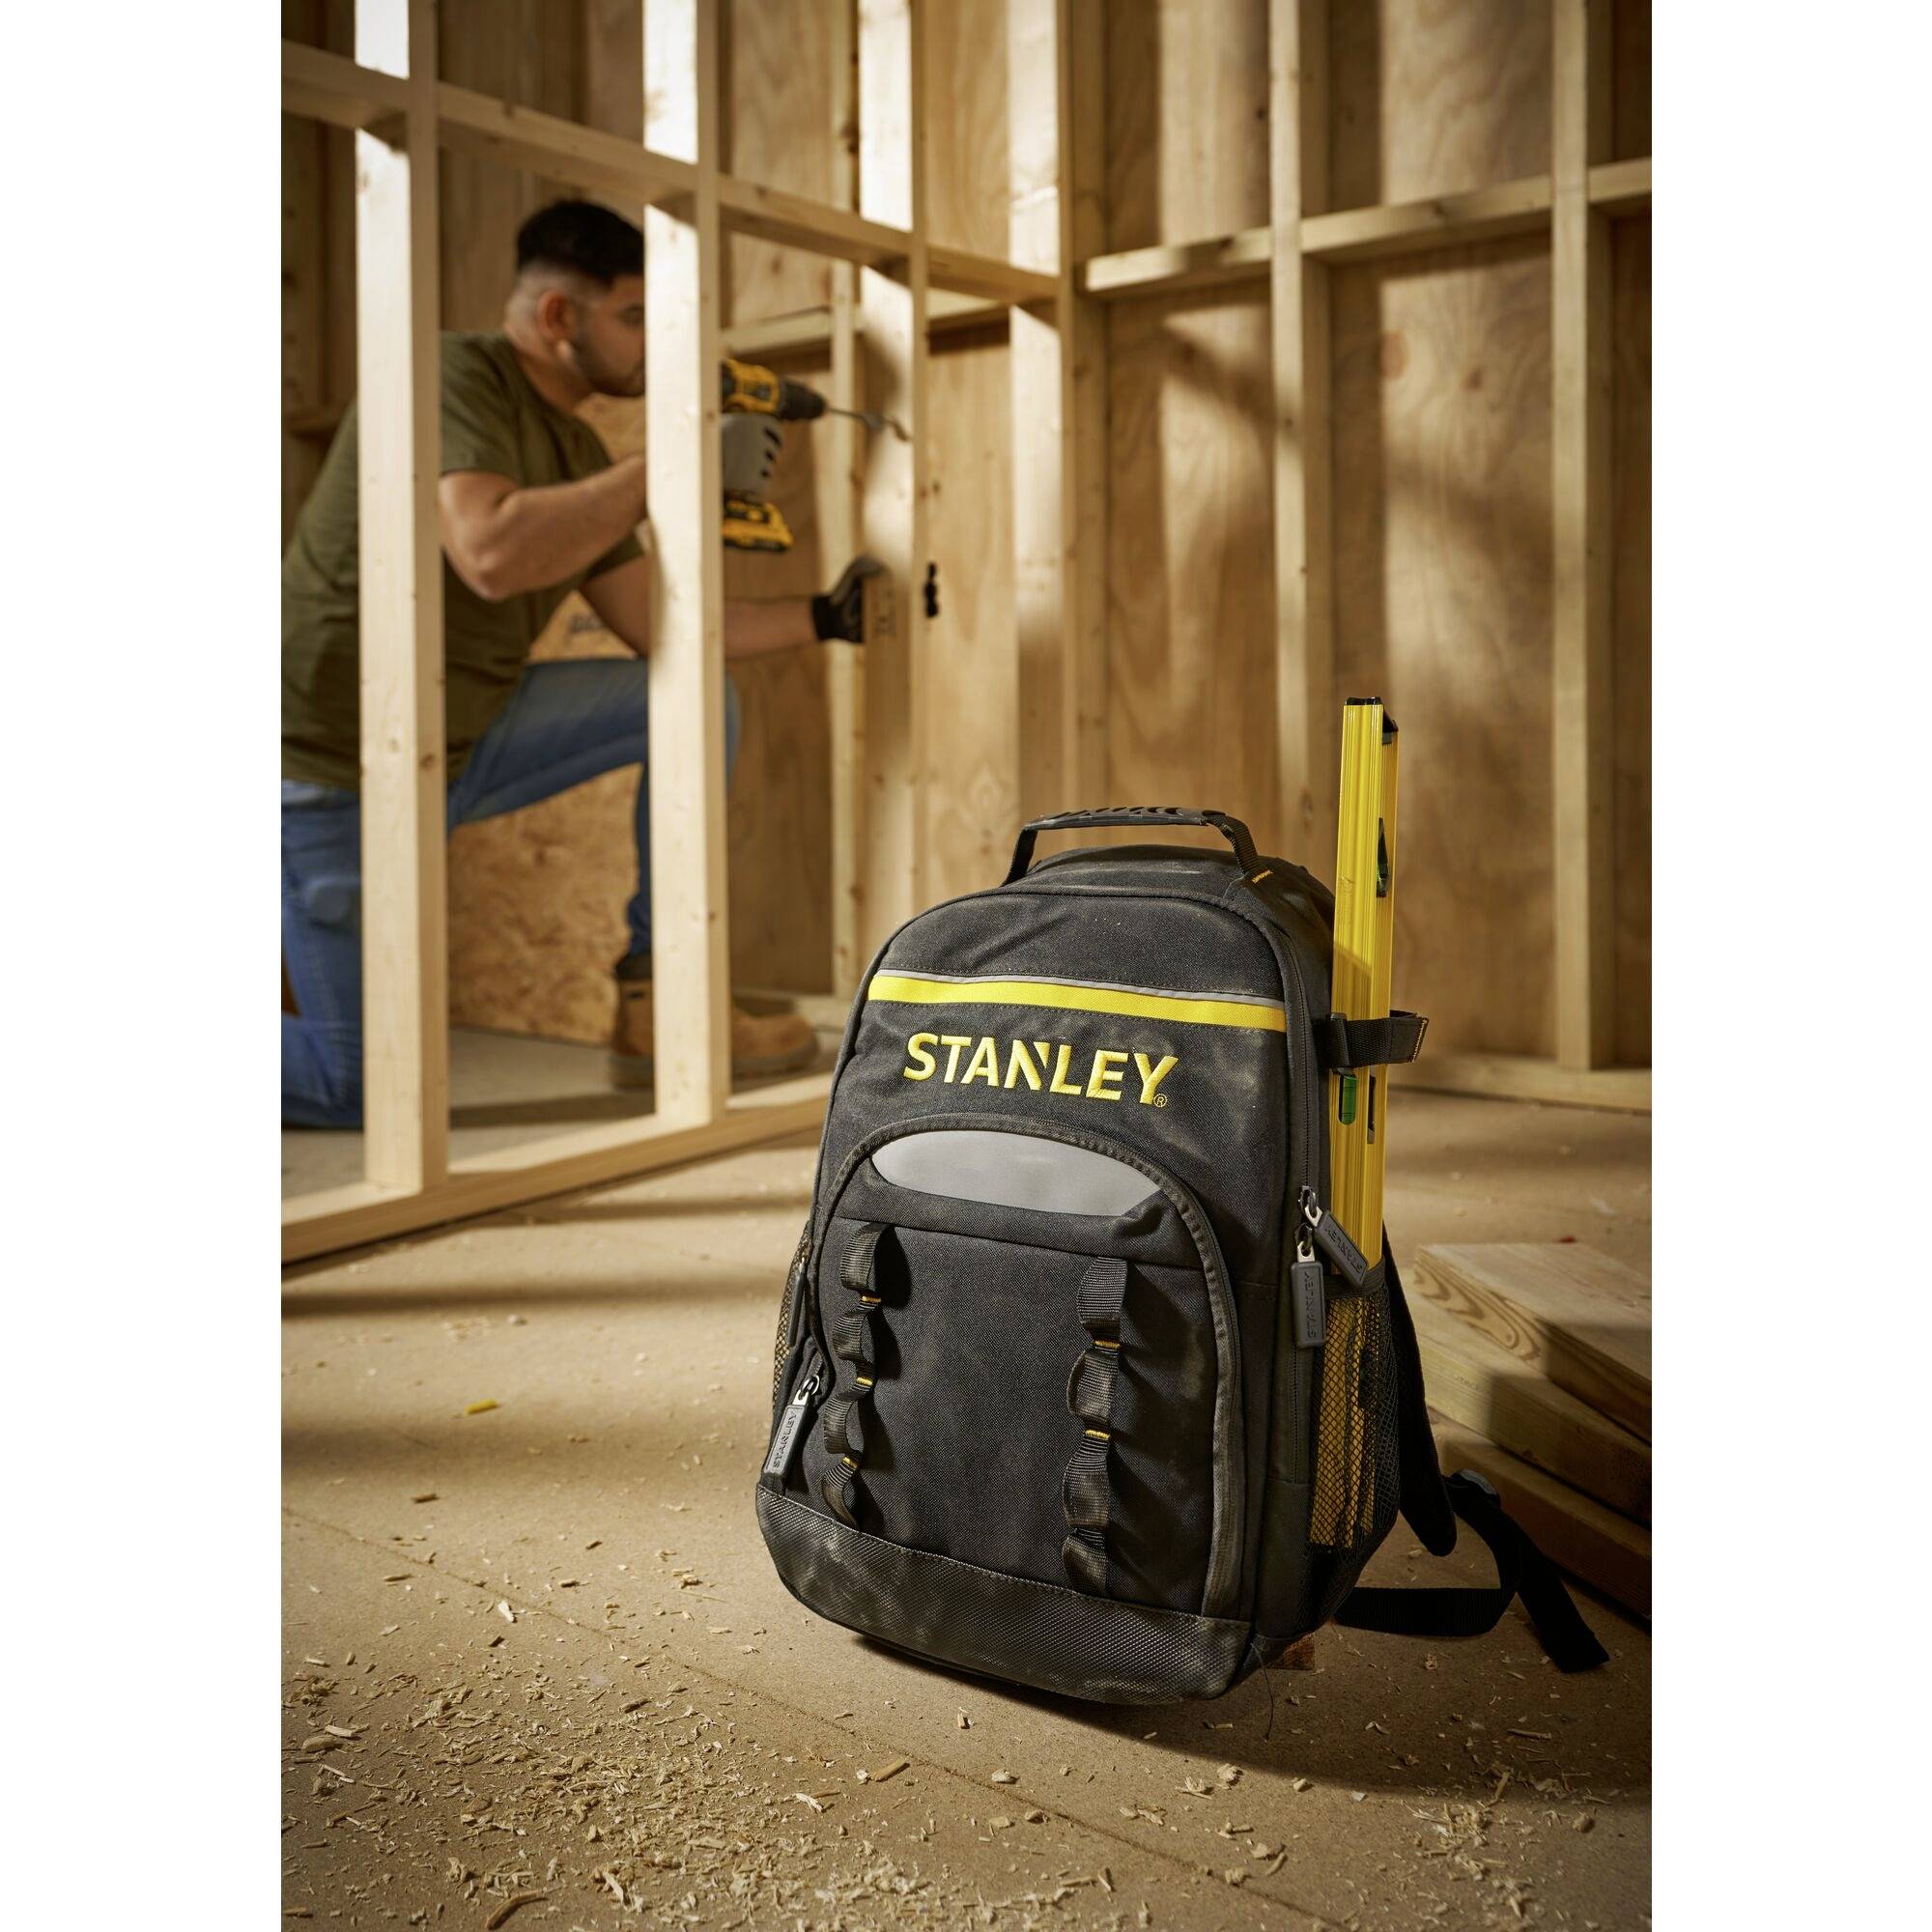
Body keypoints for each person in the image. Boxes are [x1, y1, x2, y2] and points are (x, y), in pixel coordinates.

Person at [282, 200, 877, 1127]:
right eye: (635, 319)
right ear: (561, 318)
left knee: (685, 698)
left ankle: (656, 998)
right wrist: (667, 465)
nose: (652, 345)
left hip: (460, 743)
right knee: (357, 1089)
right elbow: (490, 553)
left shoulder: (574, 449)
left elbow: (660, 632)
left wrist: (824, 615)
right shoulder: (444, 374)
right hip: (338, 768)